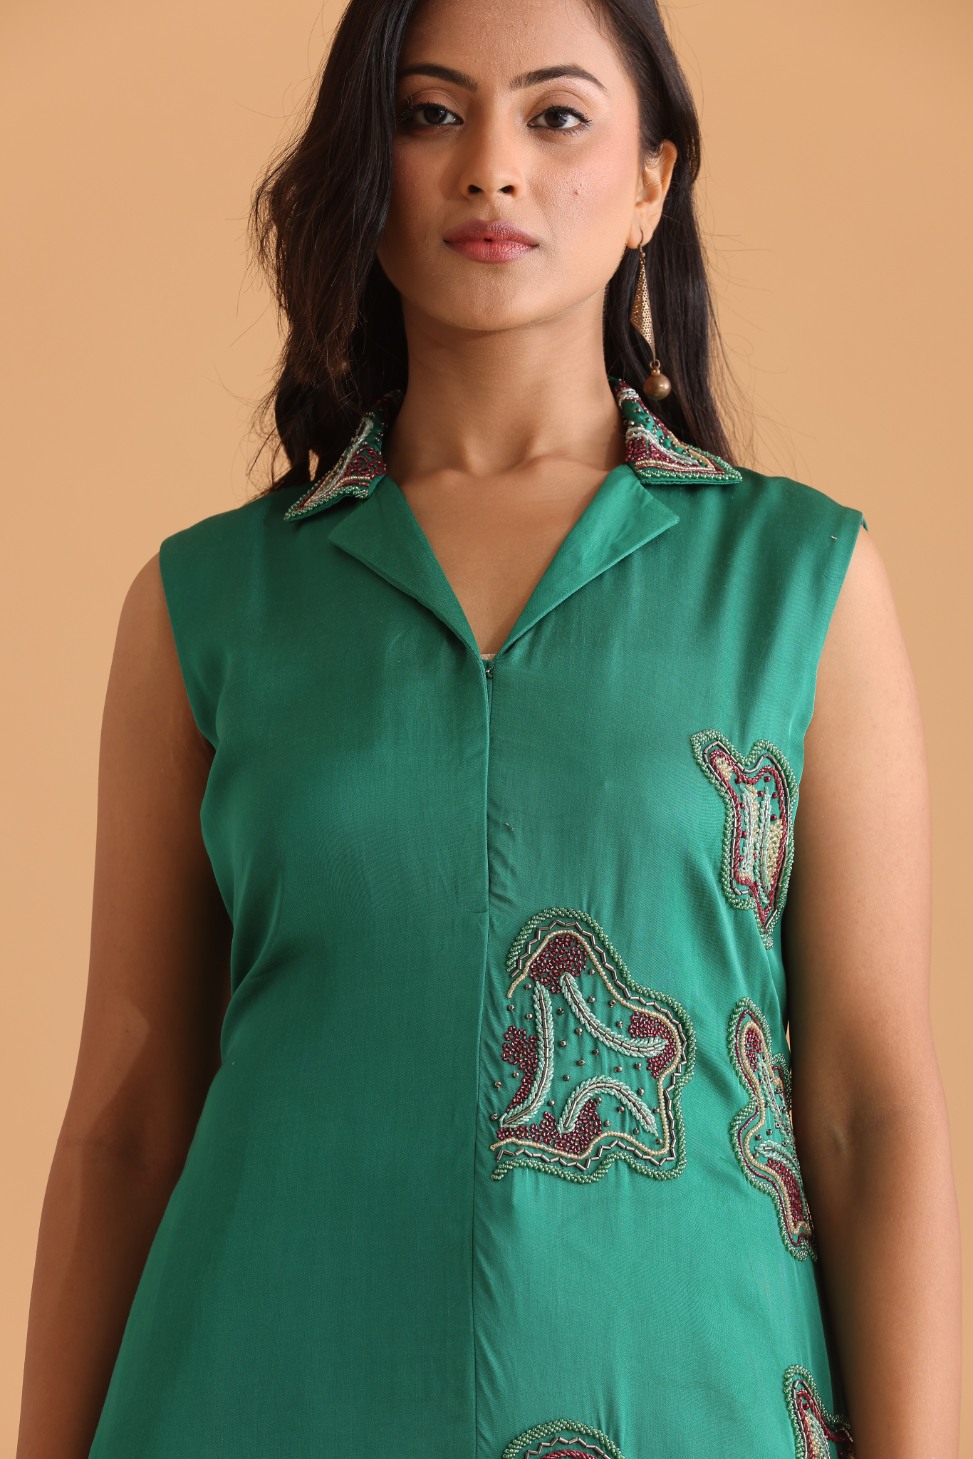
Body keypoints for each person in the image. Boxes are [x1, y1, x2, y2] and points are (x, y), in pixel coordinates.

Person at [16, 0, 962, 1455]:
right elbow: (129, 1120)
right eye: (429, 114)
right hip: (258, 1399)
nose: (491, 168)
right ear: (364, 169)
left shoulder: (800, 584)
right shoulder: (206, 604)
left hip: (691, 1407)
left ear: (651, 181)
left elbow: (866, 1108)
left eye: (557, 115)